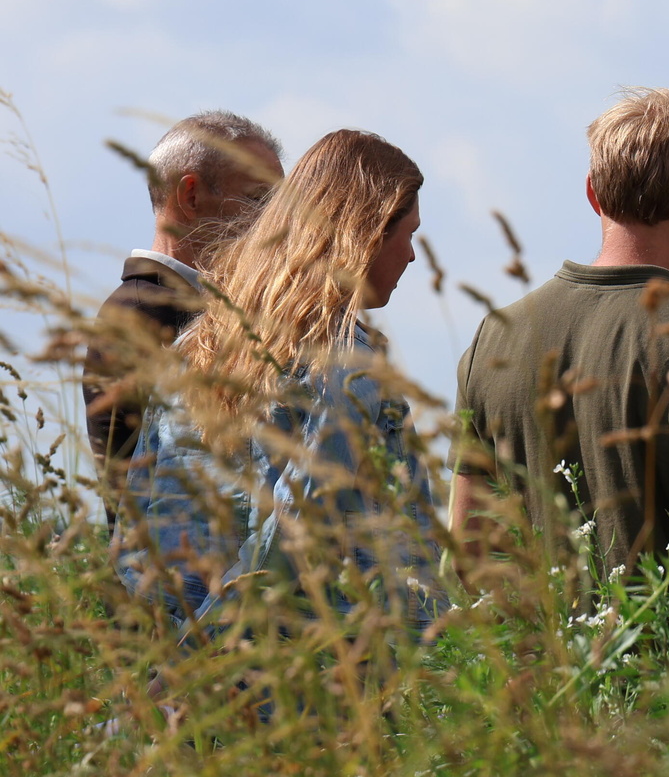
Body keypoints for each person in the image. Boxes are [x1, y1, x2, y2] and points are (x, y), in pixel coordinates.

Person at [454, 88, 669, 586]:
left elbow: (469, 554)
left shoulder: (493, 336)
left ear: (592, 192)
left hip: (531, 660)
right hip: (661, 664)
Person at [116, 129, 443, 634]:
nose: (413, 256)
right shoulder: (341, 355)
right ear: (368, 230)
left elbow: (135, 532)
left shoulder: (196, 347)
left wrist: (172, 660)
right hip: (314, 678)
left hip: (191, 676)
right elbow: (297, 529)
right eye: (409, 233)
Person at [84, 111, 283, 489]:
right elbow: (145, 493)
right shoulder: (143, 315)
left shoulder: (181, 306)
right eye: (259, 199)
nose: (275, 225)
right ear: (190, 195)